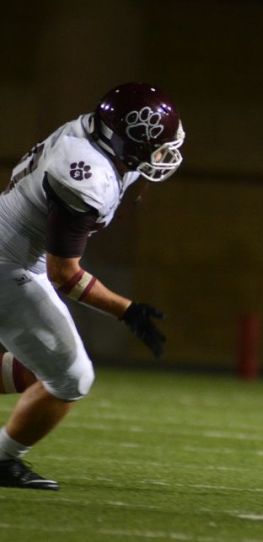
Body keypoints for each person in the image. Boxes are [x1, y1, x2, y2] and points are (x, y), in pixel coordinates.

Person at [0, 82, 184, 490]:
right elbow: (64, 273)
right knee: (72, 378)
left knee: (39, 368)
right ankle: (3, 458)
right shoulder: (85, 176)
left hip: (12, 252)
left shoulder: (94, 134)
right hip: (8, 264)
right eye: (159, 147)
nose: (166, 155)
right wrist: (127, 310)